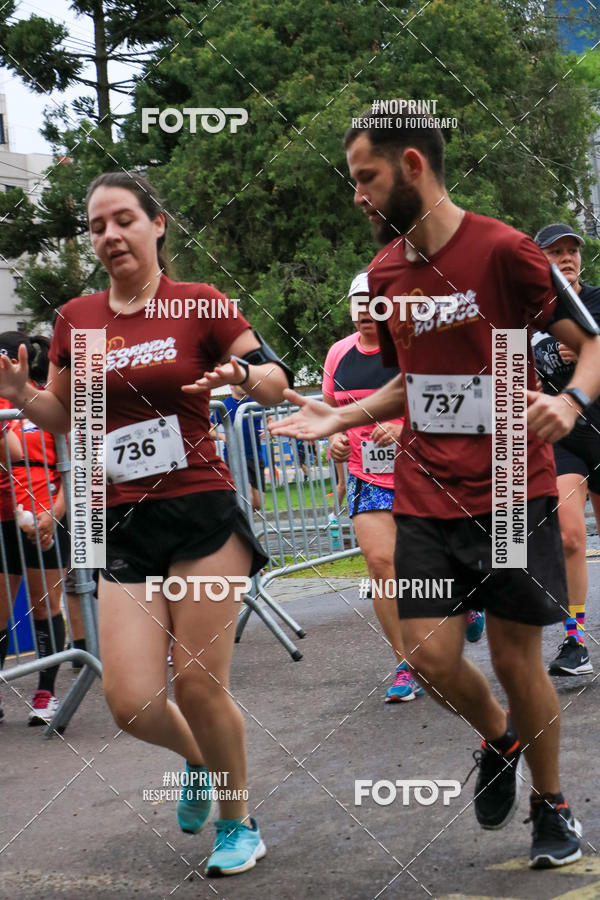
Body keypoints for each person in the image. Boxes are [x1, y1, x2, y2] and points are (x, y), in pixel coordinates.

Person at [270, 106, 600, 869]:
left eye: (366, 178)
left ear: (412, 165)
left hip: (513, 485)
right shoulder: (386, 273)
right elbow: (411, 385)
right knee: (427, 654)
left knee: (519, 660)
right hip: (424, 487)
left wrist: (570, 400)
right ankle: (500, 737)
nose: (358, 195)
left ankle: (552, 807)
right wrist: (340, 415)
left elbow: (589, 345)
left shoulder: (507, 251)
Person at [0, 172, 290, 876]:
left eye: (123, 219)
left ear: (157, 225)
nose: (109, 235)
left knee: (197, 682)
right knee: (130, 699)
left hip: (200, 514)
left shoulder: (201, 304)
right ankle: (198, 759)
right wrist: (20, 393)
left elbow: (274, 379)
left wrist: (240, 380)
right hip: (124, 521)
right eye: (97, 226)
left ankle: (237, 821)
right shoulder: (78, 318)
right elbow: (63, 416)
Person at [323, 270, 423, 702]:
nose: (366, 311)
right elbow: (331, 412)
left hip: (421, 474)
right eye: (358, 303)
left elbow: (440, 404)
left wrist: (403, 427)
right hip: (368, 478)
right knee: (381, 565)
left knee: (432, 567)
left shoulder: (409, 350)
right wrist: (334, 438)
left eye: (373, 302)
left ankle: (466, 601)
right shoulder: (338, 356)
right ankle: (406, 665)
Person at [532, 223, 600, 677]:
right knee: (570, 536)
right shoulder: (529, 314)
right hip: (565, 439)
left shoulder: (596, 302)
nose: (567, 257)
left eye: (572, 250)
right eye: (555, 252)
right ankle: (576, 642)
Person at [0, 333, 68, 725]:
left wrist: (53, 515)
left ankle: (46, 693)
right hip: (3, 521)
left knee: (45, 606)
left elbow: (76, 474)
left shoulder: (46, 402)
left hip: (42, 518)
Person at [210, 383, 265, 511]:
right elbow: (209, 429)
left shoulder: (255, 402)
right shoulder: (224, 406)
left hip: (255, 456)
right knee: (247, 497)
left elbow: (270, 419)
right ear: (231, 385)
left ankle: (241, 522)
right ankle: (240, 526)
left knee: (257, 504)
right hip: (235, 457)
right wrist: (224, 436)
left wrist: (268, 430)